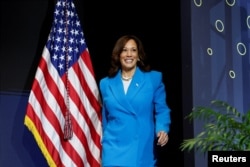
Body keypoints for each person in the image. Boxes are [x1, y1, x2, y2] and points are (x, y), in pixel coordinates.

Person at [99, 35, 171, 167]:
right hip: (113, 147)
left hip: (141, 146)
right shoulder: (105, 83)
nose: (129, 54)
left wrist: (162, 128)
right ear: (118, 55)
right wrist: (103, 140)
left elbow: (162, 109)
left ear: (139, 56)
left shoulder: (153, 79)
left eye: (133, 50)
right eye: (124, 50)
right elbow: (105, 117)